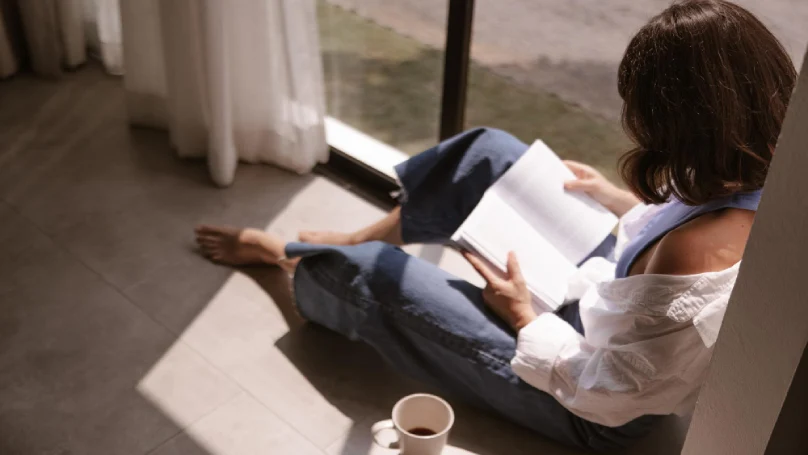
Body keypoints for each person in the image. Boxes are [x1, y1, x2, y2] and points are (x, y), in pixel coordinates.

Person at [194, 0, 796, 451]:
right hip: (603, 310)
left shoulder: (697, 254)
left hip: (590, 399)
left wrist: (521, 316)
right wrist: (611, 199)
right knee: (489, 154)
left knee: (369, 278)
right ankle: (356, 235)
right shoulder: (771, 165)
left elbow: (613, 393)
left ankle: (290, 259)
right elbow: (670, 260)